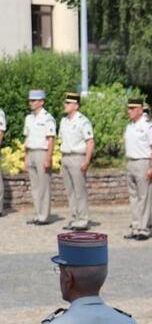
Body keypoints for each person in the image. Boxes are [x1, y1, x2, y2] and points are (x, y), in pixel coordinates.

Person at [122, 98, 152, 240]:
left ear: (140, 110)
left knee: (144, 197)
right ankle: (136, 226)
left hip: (143, 162)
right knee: (134, 197)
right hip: (131, 162)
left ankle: (144, 228)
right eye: (129, 108)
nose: (129, 111)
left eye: (132, 109)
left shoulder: (148, 126)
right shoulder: (130, 125)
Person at [57, 92, 94, 231]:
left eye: (68, 103)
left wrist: (86, 161)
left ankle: (83, 219)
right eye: (65, 103)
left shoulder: (83, 121)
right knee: (70, 191)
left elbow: (90, 142)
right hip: (66, 156)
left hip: (78, 157)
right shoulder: (64, 121)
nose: (65, 105)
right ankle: (74, 218)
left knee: (80, 190)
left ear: (76, 105)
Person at [23, 89, 57, 225]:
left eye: (34, 100)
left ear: (41, 102)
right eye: (30, 100)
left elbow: (51, 139)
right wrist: (25, 157)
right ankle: (38, 214)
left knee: (44, 186)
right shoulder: (29, 118)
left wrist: (48, 158)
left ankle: (44, 216)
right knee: (35, 186)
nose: (31, 103)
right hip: (31, 152)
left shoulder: (48, 118)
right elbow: (26, 138)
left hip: (42, 153)